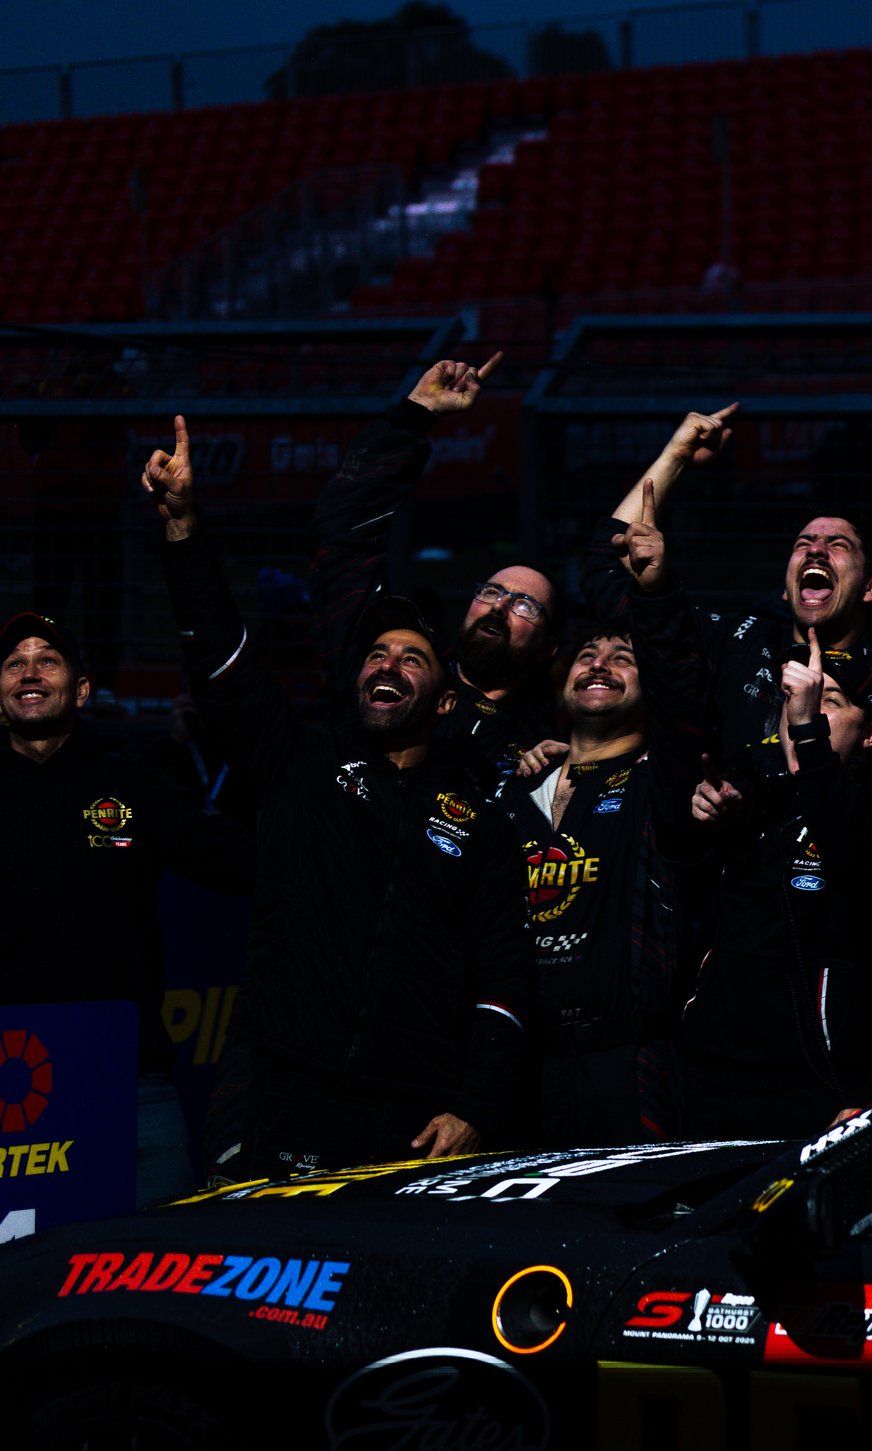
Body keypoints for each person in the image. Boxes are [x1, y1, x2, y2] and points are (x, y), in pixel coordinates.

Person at [146, 417, 532, 1172]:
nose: (386, 664)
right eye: (376, 653)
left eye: (412, 658)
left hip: (411, 1111)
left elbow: (506, 975)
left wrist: (478, 1106)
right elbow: (224, 655)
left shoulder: (480, 816)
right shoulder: (300, 760)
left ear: (446, 700)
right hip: (279, 1087)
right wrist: (185, 529)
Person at [0, 609, 252, 1201]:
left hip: (128, 1084)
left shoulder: (134, 789)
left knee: (159, 1269)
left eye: (47, 660)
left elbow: (244, 863)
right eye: (14, 663)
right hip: (6, 1080)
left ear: (82, 689)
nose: (30, 672)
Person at [486, 486, 708, 1145]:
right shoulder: (513, 788)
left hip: (628, 1065)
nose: (600, 665)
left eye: (622, 658)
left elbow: (680, 682)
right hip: (519, 1064)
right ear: (561, 682)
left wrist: (654, 593)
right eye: (587, 655)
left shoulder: (659, 781)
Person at [586, 403, 872, 764]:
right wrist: (676, 456)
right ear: (785, 587)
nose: (816, 552)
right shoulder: (736, 645)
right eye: (803, 544)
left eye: (837, 545)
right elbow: (605, 569)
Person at [671, 627, 872, 1136]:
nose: (802, 710)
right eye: (796, 698)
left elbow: (853, 857)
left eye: (828, 701)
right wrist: (717, 826)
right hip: (706, 1077)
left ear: (870, 734)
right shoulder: (745, 797)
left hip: (814, 1089)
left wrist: (808, 735)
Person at [313, 351, 565, 779]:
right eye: (491, 592)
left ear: (548, 649)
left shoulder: (549, 747)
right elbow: (343, 538)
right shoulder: (386, 674)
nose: (499, 608)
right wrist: (415, 417)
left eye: (525, 604)